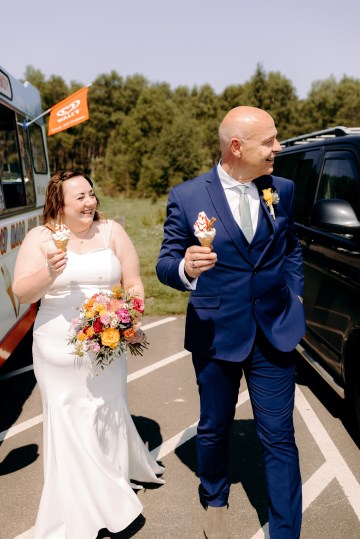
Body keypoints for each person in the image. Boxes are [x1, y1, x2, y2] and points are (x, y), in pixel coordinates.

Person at [156, 106, 305, 539]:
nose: (278, 147)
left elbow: (291, 248)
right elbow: (165, 262)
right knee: (214, 427)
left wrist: (294, 297)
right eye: (270, 141)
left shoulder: (284, 189)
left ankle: (285, 531)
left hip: (275, 330)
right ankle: (215, 498)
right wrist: (184, 266)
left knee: (279, 437)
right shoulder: (187, 197)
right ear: (237, 147)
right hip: (216, 331)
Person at [13, 170, 164, 539]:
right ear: (58, 203)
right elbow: (21, 292)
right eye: (79, 197)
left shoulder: (111, 231)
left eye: (91, 194)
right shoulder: (40, 237)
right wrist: (49, 272)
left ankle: (112, 478)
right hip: (57, 346)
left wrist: (130, 316)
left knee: (106, 409)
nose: (89, 202)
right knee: (68, 420)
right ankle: (84, 505)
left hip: (107, 342)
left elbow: (133, 282)